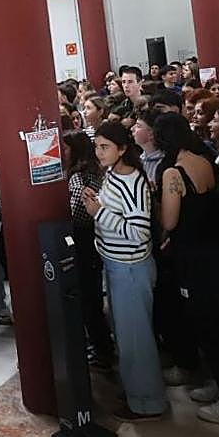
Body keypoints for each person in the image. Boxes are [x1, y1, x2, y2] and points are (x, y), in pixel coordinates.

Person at [155, 112, 219, 424]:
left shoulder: (173, 173)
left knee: (210, 326)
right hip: (215, 252)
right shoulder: (202, 160)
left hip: (193, 258)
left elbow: (170, 221)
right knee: (217, 324)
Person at [82, 121, 166, 421]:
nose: (99, 152)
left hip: (130, 267)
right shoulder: (113, 174)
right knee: (127, 335)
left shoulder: (131, 180)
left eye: (105, 147)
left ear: (122, 149)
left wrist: (99, 212)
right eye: (97, 146)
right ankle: (135, 391)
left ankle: (147, 402)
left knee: (136, 339)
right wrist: (98, 203)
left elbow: (138, 232)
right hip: (117, 264)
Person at [63, 130, 113, 371]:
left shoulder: (80, 176)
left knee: (89, 300)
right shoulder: (93, 173)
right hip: (91, 242)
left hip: (84, 242)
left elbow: (81, 213)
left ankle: (102, 350)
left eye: (65, 148)